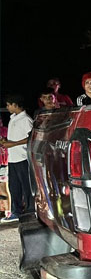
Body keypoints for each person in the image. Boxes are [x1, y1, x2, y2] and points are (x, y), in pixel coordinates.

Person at [1, 94, 34, 223]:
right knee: (14, 187)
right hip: (13, 159)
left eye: (9, 104)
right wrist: (6, 141)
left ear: (15, 105)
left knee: (26, 187)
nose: (7, 107)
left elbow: (31, 138)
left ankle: (31, 211)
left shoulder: (25, 119)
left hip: (22, 158)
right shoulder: (13, 118)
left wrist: (13, 144)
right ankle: (17, 212)